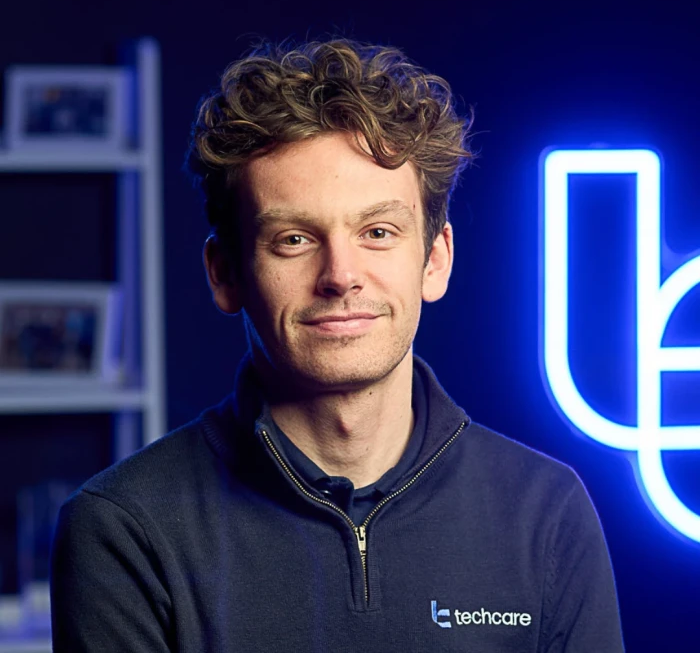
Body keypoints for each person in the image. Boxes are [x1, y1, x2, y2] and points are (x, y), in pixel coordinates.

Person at [50, 39, 625, 652]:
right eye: (294, 239)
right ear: (225, 273)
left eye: (378, 232)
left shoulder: (547, 514)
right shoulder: (124, 529)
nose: (341, 275)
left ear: (435, 258)